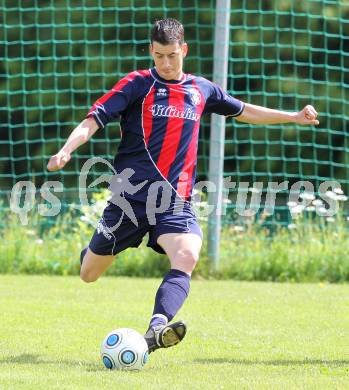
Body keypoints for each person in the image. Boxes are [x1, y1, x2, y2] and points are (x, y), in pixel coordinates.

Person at [47, 18, 319, 353]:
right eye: (159, 55)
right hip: (129, 200)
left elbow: (244, 110)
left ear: (184, 50)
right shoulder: (136, 85)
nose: (165, 62)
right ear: (151, 51)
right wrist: (66, 150)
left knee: (188, 254)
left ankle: (157, 327)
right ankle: (91, 252)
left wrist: (292, 116)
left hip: (174, 202)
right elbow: (94, 120)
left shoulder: (201, 90)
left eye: (172, 55)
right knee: (89, 273)